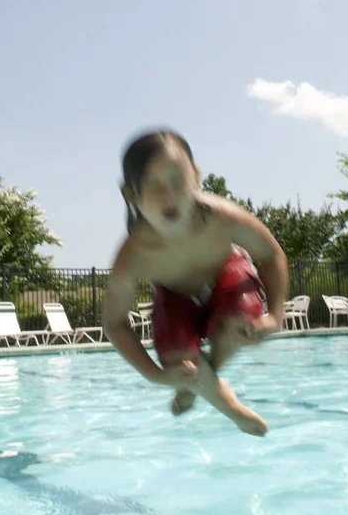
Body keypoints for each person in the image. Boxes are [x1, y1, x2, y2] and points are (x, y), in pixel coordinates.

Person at [103, 129, 289, 436]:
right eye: (153, 186)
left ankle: (201, 385)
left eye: (178, 180)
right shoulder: (133, 254)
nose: (170, 196)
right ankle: (226, 403)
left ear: (197, 178)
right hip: (176, 298)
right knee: (176, 357)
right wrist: (156, 375)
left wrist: (275, 316)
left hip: (226, 283)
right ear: (131, 194)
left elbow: (271, 255)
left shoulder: (223, 217)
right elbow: (115, 323)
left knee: (240, 320)